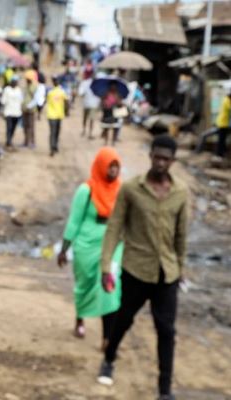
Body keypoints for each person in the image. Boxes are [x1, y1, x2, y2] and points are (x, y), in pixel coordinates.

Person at [97, 135, 188, 400]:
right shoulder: (131, 189)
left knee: (167, 330)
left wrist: (180, 267)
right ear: (150, 156)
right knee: (124, 318)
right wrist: (106, 267)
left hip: (166, 273)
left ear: (172, 161)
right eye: (157, 157)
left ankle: (164, 390)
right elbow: (114, 228)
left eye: (166, 159)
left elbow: (181, 235)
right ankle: (109, 357)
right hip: (136, 269)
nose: (160, 163)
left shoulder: (180, 193)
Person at [58, 147, 124, 349]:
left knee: (110, 288)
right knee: (85, 284)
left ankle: (107, 338)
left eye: (116, 167)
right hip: (86, 244)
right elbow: (74, 221)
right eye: (109, 167)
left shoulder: (121, 190)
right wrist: (64, 249)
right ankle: (80, 318)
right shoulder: (86, 190)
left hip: (112, 245)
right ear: (101, 166)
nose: (113, 171)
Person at [196, 88, 230, 157]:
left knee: (221, 140)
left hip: (221, 123)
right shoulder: (227, 101)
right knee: (221, 141)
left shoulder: (225, 99)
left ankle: (221, 153)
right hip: (222, 124)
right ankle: (219, 154)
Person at [46, 76, 68, 156]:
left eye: (56, 80)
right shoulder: (50, 92)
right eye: (54, 80)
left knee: (57, 132)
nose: (55, 82)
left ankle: (55, 146)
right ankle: (52, 148)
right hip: (51, 115)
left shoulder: (62, 91)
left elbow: (66, 102)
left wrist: (66, 111)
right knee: (53, 132)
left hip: (59, 115)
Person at [1, 77, 23, 150]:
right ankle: (8, 141)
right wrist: (2, 111)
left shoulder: (18, 90)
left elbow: (21, 101)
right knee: (9, 127)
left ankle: (10, 139)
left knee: (13, 127)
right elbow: (3, 101)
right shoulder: (7, 90)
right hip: (8, 112)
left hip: (16, 112)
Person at [22, 76, 39, 148]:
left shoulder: (34, 87)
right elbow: (23, 97)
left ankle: (32, 142)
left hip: (31, 110)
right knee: (25, 126)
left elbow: (36, 98)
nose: (27, 80)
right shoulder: (25, 88)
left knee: (31, 127)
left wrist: (29, 106)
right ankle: (26, 141)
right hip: (25, 109)